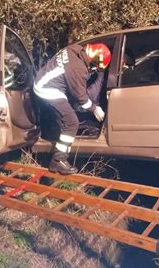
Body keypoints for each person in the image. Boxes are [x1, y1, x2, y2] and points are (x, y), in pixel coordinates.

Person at [33, 43, 112, 175]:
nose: (94, 68)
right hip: (47, 89)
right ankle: (58, 161)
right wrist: (95, 109)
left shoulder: (75, 49)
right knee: (71, 122)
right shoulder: (77, 69)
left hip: (43, 80)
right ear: (94, 57)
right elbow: (81, 98)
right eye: (95, 65)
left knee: (66, 114)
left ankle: (58, 138)